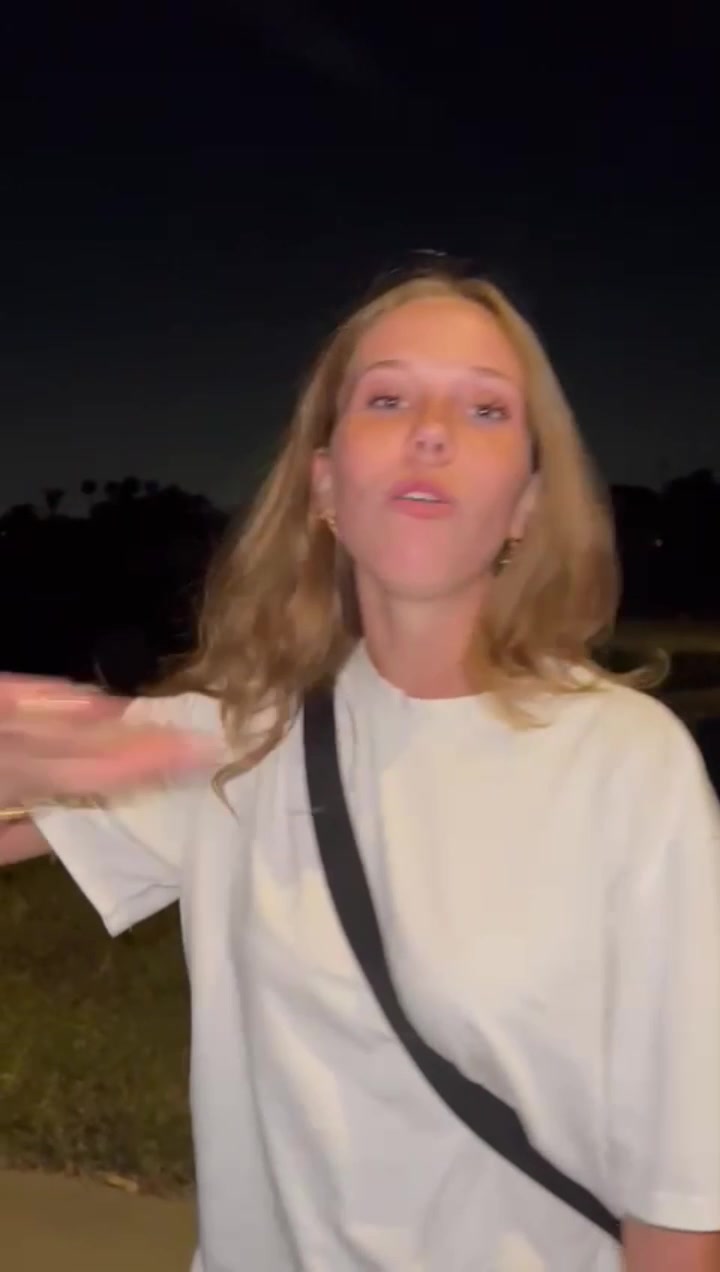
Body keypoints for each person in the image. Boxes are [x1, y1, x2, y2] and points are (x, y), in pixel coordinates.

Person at [2, 268, 720, 1272]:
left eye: (483, 408)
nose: (431, 432)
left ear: (526, 503)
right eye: (387, 399)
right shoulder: (235, 740)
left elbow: (680, 1198)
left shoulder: (626, 766)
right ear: (326, 485)